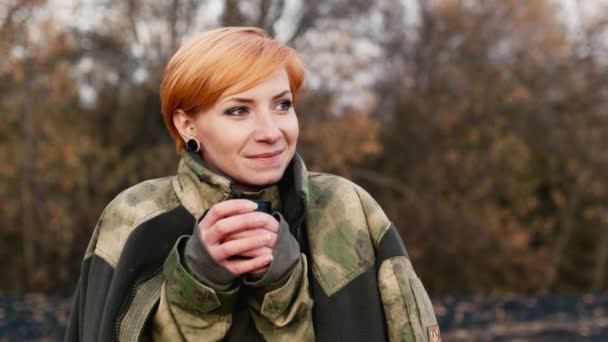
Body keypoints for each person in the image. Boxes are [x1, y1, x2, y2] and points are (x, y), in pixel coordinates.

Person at [65, 27, 441, 342]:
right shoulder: (134, 217)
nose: (271, 132)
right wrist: (198, 283)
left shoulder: (346, 208)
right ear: (187, 125)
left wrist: (284, 283)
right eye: (239, 110)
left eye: (282, 105)